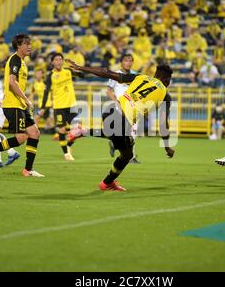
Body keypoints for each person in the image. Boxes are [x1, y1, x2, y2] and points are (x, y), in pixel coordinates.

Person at [66, 59, 175, 191]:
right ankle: (107, 183)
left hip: (110, 109)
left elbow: (106, 72)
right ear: (166, 79)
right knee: (127, 154)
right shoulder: (165, 94)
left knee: (115, 135)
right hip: (123, 119)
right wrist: (167, 147)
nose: (169, 83)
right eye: (170, 80)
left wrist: (81, 67)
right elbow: (163, 124)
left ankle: (82, 132)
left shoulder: (140, 77)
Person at [0, 34, 44, 177]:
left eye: (30, 43)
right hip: (13, 104)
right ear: (18, 46)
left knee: (34, 133)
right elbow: (11, 82)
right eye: (26, 44)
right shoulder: (15, 59)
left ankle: (28, 169)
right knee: (21, 137)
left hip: (19, 105)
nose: (30, 46)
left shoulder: (22, 62)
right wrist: (26, 98)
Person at [40, 53, 78, 161]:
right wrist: (43, 107)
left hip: (71, 105)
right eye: (56, 60)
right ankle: (66, 153)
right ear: (52, 62)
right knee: (62, 130)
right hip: (59, 106)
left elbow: (82, 75)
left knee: (77, 130)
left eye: (60, 59)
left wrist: (77, 67)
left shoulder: (68, 72)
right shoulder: (50, 76)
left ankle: (68, 145)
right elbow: (46, 92)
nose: (58, 61)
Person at [106, 54, 140, 163]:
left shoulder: (135, 75)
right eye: (126, 60)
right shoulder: (116, 75)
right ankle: (123, 150)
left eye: (130, 61)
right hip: (120, 107)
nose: (128, 63)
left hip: (133, 107)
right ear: (122, 62)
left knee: (133, 132)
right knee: (123, 132)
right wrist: (115, 101)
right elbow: (109, 90)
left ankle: (130, 155)